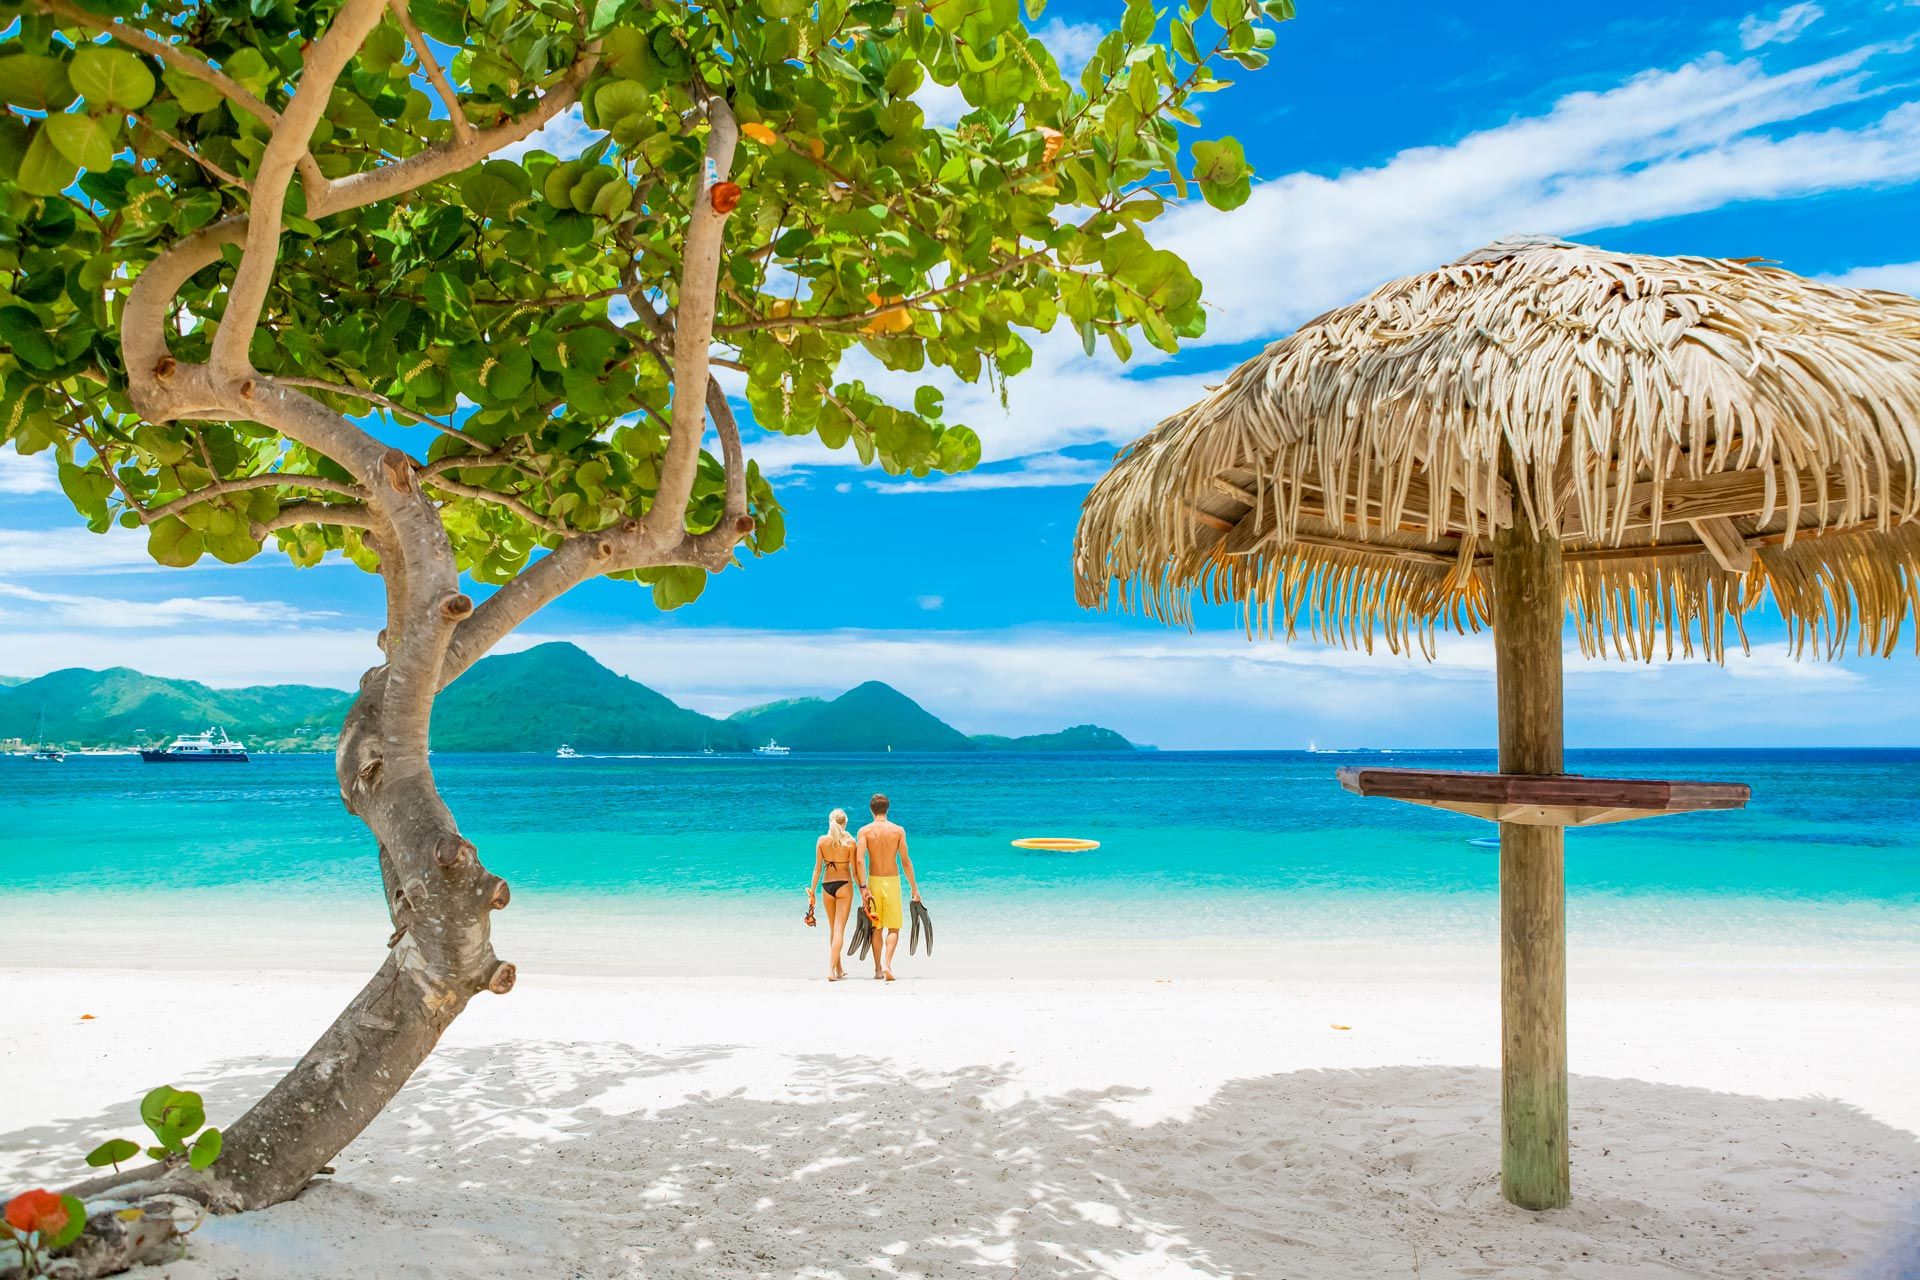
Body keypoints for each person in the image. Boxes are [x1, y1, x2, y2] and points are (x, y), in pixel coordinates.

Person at [856, 793, 919, 982]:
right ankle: (887, 964)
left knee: (876, 927)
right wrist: (914, 888)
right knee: (893, 927)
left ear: (871, 809)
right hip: (892, 881)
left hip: (874, 881)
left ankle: (876, 969)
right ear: (887, 809)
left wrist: (863, 887)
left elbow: (859, 860)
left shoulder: (864, 831)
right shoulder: (898, 830)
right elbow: (906, 862)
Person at [808, 808, 861, 982]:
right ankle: (831, 970)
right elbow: (854, 871)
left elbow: (817, 868)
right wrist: (863, 890)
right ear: (845, 823)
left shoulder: (822, 841)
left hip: (826, 886)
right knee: (839, 930)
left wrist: (812, 892)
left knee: (833, 929)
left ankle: (839, 968)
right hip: (844, 885)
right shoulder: (850, 843)